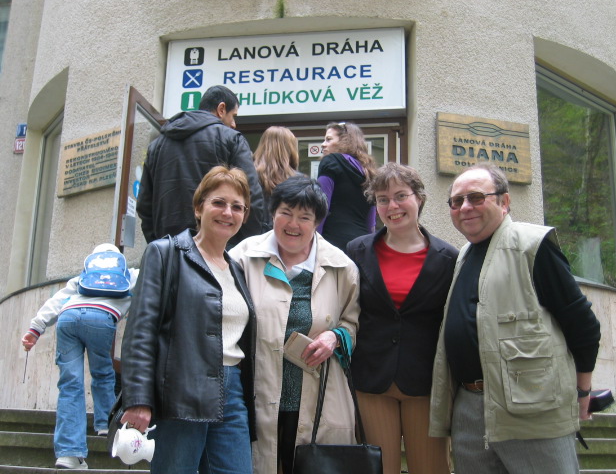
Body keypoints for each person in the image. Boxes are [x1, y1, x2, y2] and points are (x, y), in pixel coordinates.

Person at [430, 163, 601, 474]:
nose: (465, 207)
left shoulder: (532, 246)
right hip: (469, 408)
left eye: (476, 197)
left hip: (531, 408)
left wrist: (583, 391)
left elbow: (582, 323)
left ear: (504, 201)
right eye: (457, 201)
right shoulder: (463, 255)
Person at [121, 166, 257, 474]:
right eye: (218, 202)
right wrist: (138, 398)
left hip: (232, 392)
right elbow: (141, 331)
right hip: (181, 389)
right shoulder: (165, 253)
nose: (228, 212)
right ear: (199, 207)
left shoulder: (237, 269)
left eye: (237, 207)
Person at [229, 176, 360, 474]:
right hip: (256, 394)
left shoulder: (342, 267)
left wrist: (335, 337)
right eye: (286, 213)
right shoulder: (243, 258)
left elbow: (352, 323)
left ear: (317, 222)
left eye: (305, 217)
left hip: (318, 398)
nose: (293, 224)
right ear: (272, 213)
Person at [345, 163, 458, 474]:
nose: (392, 206)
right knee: (379, 469)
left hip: (425, 382)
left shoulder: (448, 258)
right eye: (382, 199)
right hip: (372, 379)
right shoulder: (356, 251)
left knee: (432, 468)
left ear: (418, 198)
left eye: (400, 196)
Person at [21, 244, 139, 470]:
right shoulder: (129, 274)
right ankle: (105, 425)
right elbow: (155, 277)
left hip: (68, 318)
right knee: (102, 373)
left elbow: (57, 300)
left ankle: (69, 454)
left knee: (69, 384)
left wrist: (36, 328)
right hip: (101, 319)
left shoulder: (83, 276)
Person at [136, 84, 264, 247]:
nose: (234, 124)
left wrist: (159, 245)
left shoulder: (157, 146)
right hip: (217, 249)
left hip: (169, 248)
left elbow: (145, 206)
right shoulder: (231, 139)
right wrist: (242, 247)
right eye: (233, 116)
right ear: (221, 109)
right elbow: (251, 196)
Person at [317, 121, 377, 251]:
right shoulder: (368, 172)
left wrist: (314, 242)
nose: (323, 144)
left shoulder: (331, 161)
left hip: (333, 243)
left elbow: (321, 206)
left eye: (328, 139)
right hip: (361, 244)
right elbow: (371, 222)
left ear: (344, 141)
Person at [253, 125, 301, 231]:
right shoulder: (299, 181)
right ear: (291, 148)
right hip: (287, 235)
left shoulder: (249, 176)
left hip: (251, 235)